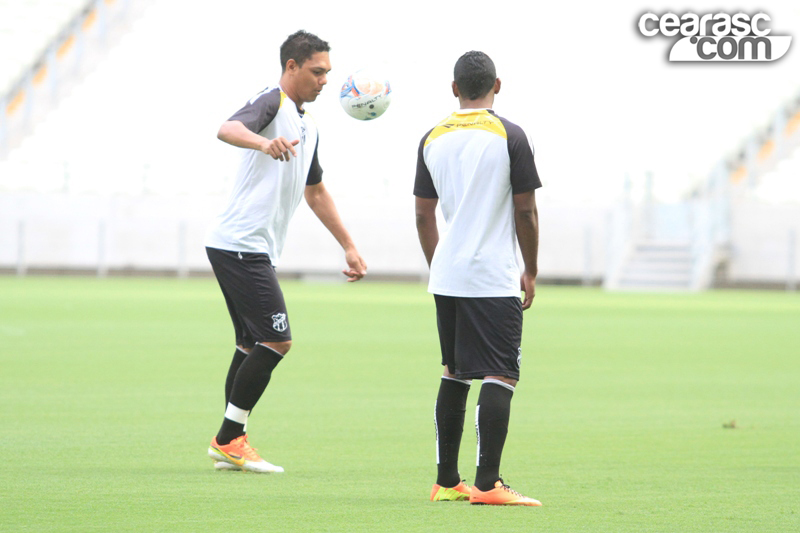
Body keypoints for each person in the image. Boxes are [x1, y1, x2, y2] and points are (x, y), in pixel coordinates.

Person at [205, 30, 367, 473]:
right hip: (241, 244)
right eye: (317, 72)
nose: (324, 81)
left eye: (328, 73)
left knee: (249, 342)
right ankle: (228, 438)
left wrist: (349, 246)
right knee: (277, 340)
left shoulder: (309, 124)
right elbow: (227, 128)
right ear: (292, 67)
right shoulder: (272, 101)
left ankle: (232, 440)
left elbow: (315, 191)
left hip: (244, 246)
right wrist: (263, 142)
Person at [414, 51, 542, 505]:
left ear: (454, 88)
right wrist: (530, 267)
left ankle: (447, 481)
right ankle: (488, 484)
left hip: (447, 274)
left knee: (453, 372)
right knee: (501, 373)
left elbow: (423, 215)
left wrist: (439, 265)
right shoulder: (510, 135)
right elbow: (525, 209)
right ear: (497, 85)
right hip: (492, 274)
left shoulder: (432, 137)